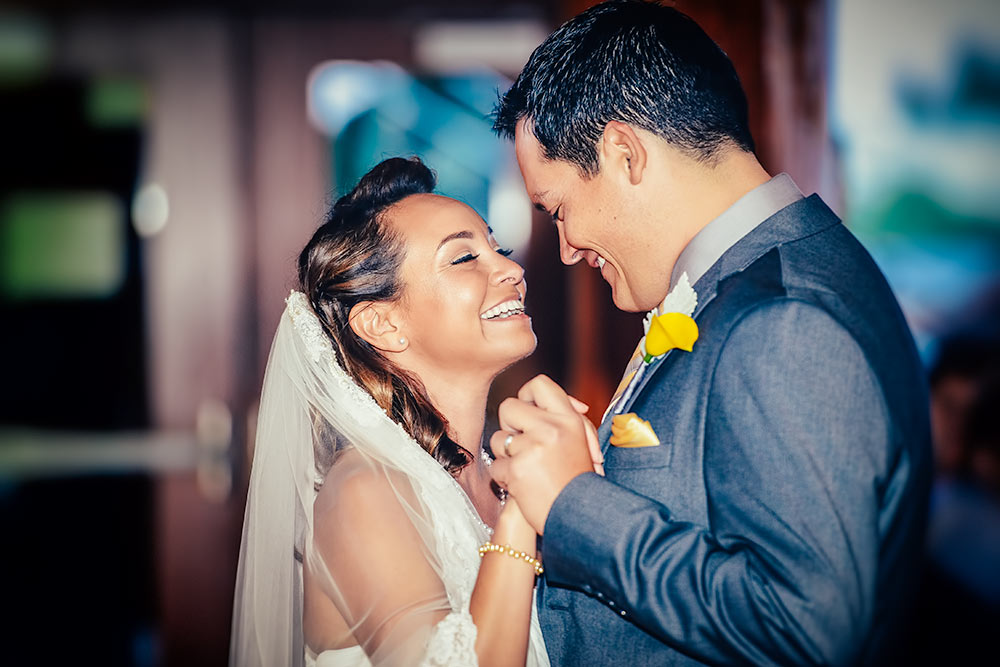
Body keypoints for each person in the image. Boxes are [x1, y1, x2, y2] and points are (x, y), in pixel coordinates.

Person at [488, 1, 932, 665]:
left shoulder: (785, 321)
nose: (566, 249)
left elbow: (803, 626)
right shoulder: (753, 285)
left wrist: (574, 504)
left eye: (558, 210)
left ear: (624, 154)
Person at [230, 157, 566, 666]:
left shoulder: (496, 466)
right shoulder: (365, 489)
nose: (512, 270)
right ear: (383, 325)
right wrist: (523, 509)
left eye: (499, 250)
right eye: (464, 259)